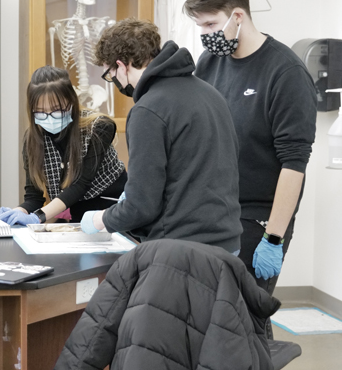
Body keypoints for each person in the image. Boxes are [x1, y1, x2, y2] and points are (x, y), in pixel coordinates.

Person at [184, 0, 317, 294]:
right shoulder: (210, 63)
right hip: (212, 212)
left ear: (238, 17)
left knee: (244, 318)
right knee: (210, 318)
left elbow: (294, 164)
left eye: (210, 24)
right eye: (199, 26)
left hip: (257, 219)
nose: (204, 34)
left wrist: (273, 238)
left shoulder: (285, 74)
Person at [81, 18, 242, 253]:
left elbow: (141, 206)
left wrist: (100, 220)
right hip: (227, 243)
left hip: (182, 250)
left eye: (110, 74)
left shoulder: (149, 109)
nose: (113, 81)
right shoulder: (210, 94)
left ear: (121, 65)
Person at [0, 65, 127, 226]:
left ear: (72, 103)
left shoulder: (99, 127)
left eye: (57, 110)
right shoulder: (32, 139)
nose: (49, 117)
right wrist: (15, 212)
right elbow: (33, 198)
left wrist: (38, 217)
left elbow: (80, 184)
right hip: (74, 216)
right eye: (41, 112)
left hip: (111, 211)